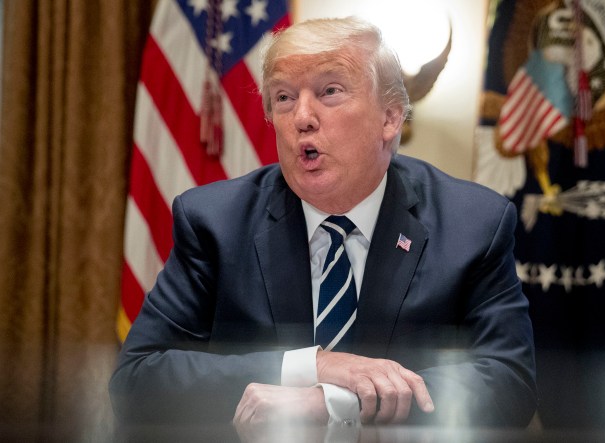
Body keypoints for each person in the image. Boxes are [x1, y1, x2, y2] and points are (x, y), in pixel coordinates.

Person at [110, 16, 537, 432]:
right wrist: (311, 366)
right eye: (283, 97)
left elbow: (509, 381)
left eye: (330, 91)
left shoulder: (472, 225)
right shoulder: (216, 223)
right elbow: (137, 378)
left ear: (389, 118)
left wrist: (337, 401)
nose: (302, 117)